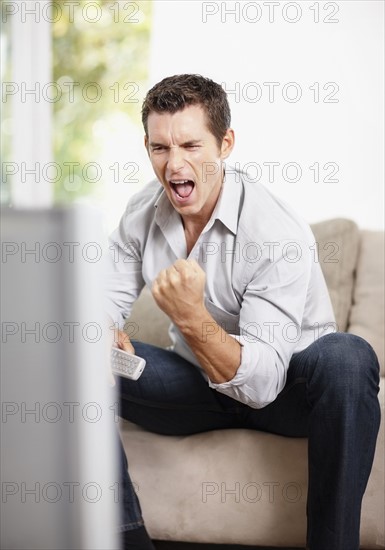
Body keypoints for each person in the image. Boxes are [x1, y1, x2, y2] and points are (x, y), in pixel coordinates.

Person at [105, 74, 381, 550]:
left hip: (286, 392)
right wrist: (98, 331)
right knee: (66, 359)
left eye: (191, 145)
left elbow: (261, 385)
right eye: (160, 148)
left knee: (348, 357)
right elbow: (99, 301)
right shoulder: (143, 212)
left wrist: (191, 316)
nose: (175, 166)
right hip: (197, 385)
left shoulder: (275, 232)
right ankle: (126, 540)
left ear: (225, 143)